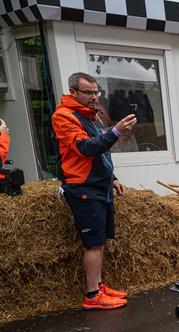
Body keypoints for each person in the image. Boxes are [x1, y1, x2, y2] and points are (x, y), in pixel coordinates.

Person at [52, 72, 137, 310]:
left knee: (100, 241)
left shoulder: (92, 116)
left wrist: (113, 178)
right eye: (88, 92)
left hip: (100, 185)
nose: (93, 97)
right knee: (92, 243)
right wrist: (115, 132)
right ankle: (92, 296)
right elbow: (86, 148)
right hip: (83, 187)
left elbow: (102, 152)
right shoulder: (64, 116)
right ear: (74, 92)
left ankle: (99, 286)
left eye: (96, 92)